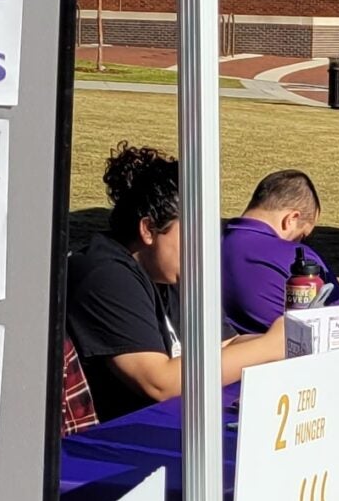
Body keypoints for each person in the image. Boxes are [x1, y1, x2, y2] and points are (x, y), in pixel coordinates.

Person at [65, 143, 287, 419]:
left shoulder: (170, 271)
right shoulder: (103, 274)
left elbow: (224, 345)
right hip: (110, 445)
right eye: (194, 235)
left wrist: (289, 342)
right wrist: (269, 347)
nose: (204, 248)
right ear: (148, 229)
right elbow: (160, 381)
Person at [221, 168, 335, 333]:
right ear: (291, 219)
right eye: (303, 235)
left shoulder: (201, 247)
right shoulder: (296, 256)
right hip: (287, 353)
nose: (301, 242)